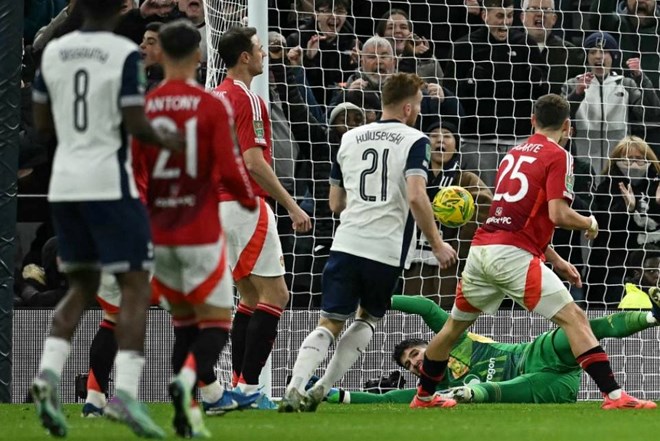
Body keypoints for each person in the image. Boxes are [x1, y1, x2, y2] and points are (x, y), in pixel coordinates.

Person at [413, 93, 656, 410]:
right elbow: (558, 214)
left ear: (532, 121)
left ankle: (424, 396)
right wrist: (589, 222)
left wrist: (556, 260)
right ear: (568, 125)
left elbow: (523, 216)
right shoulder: (559, 156)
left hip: (483, 250)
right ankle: (615, 396)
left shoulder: (511, 154)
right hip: (513, 255)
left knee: (452, 329)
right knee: (574, 318)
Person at [29, 0, 182, 437]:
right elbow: (136, 121)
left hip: (63, 182)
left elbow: (42, 122)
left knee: (82, 287)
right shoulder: (123, 55)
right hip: (108, 181)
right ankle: (126, 397)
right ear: (118, 10)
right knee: (135, 285)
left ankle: (46, 377)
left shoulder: (54, 52)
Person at [278, 72, 458, 413]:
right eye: (418, 105)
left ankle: (294, 386)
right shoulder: (415, 140)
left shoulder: (350, 138)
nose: (419, 111)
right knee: (365, 320)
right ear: (408, 107)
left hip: (346, 243)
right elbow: (418, 197)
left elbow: (335, 203)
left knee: (329, 321)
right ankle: (321, 390)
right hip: (385, 250)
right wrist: (436, 242)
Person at [131, 19, 260, 436]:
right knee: (217, 321)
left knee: (185, 323)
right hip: (200, 230)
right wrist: (247, 198)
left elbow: (135, 174)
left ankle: (189, 411)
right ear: (198, 56)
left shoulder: (145, 108)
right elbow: (231, 166)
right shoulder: (210, 106)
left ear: (162, 55)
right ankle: (187, 384)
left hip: (160, 231)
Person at [213, 26, 312, 408]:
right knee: (276, 295)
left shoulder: (214, 97)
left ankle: (240, 384)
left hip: (217, 207)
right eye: (258, 48)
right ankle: (251, 388)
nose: (264, 54)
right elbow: (254, 162)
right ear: (244, 57)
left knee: (250, 298)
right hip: (245, 205)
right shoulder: (249, 99)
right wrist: (291, 204)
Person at [326, 293, 660, 404]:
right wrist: (336, 395)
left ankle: (650, 315)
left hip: (533, 354)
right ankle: (477, 394)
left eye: (415, 354)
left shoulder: (456, 340)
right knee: (510, 388)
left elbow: (427, 308)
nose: (415, 364)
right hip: (550, 384)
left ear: (431, 345)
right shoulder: (435, 387)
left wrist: (379, 302)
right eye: (410, 365)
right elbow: (389, 400)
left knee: (575, 327)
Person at [403, 120, 492, 307]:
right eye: (434, 135)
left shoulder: (465, 178)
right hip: (411, 262)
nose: (440, 140)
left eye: (447, 136)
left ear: (456, 144)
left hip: (450, 265)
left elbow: (486, 206)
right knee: (410, 313)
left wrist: (458, 247)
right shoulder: (413, 177)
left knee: (445, 315)